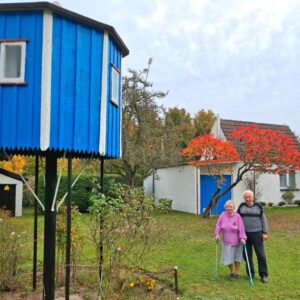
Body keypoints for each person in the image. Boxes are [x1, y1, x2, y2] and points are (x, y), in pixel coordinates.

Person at [237, 190, 269, 283]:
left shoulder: (258, 206)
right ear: (244, 198)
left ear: (253, 197)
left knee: (261, 255)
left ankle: (263, 275)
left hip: (257, 233)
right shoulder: (241, 207)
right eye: (246, 197)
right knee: (247, 255)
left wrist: (265, 232)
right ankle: (250, 273)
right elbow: (237, 219)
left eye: (249, 197)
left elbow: (264, 220)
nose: (247, 198)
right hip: (244, 235)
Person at [215, 200, 247, 278]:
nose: (229, 208)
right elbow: (217, 226)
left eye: (231, 207)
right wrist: (217, 235)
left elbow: (241, 228)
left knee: (237, 257)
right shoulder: (222, 215)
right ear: (225, 207)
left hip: (237, 241)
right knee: (228, 258)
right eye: (227, 207)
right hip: (226, 241)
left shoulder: (237, 216)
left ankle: (238, 272)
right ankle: (232, 272)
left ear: (233, 207)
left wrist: (243, 238)